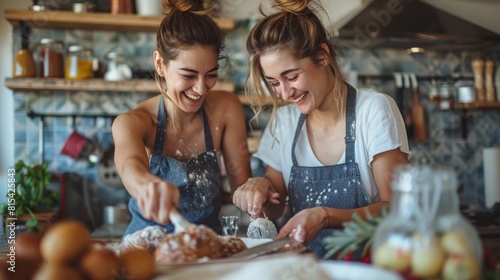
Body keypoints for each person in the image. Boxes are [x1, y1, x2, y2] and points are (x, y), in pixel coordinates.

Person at [232, 0, 411, 258]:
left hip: (371, 267)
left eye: (292, 76)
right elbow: (274, 208)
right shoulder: (284, 121)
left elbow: (396, 208)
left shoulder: (373, 110)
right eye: (274, 83)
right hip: (306, 270)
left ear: (323, 56)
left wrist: (325, 217)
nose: (285, 93)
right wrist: (258, 191)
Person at [112, 0, 251, 236]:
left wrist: (256, 189)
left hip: (207, 249)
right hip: (148, 252)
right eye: (188, 75)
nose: (200, 88)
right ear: (160, 64)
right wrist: (147, 185)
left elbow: (242, 188)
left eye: (211, 75)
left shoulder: (227, 109)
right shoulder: (133, 122)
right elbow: (129, 166)